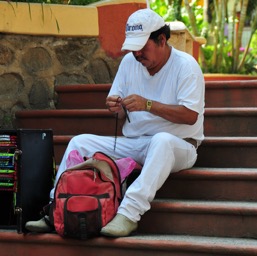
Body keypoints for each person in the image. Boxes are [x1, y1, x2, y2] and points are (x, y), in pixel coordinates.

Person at [25, 8, 205, 237]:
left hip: (180, 145)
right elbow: (119, 114)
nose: (137, 54)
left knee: (162, 141)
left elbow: (191, 115)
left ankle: (128, 214)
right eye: (133, 48)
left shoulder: (186, 66)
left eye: (142, 47)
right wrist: (116, 108)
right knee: (80, 143)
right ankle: (55, 208)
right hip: (134, 142)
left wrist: (148, 105)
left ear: (161, 40)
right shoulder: (130, 63)